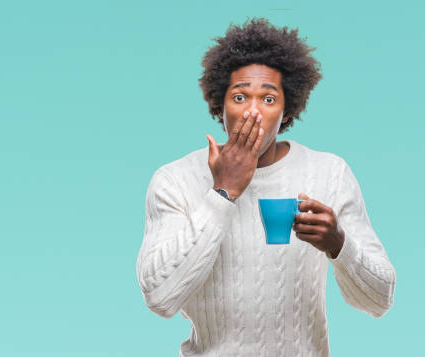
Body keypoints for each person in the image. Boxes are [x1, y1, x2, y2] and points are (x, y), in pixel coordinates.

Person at [135, 17, 396, 357]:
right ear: (220, 104)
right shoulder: (175, 180)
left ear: (288, 108)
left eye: (269, 100)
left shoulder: (329, 173)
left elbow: (381, 299)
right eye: (240, 97)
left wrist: (338, 244)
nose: (253, 114)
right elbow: (158, 297)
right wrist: (222, 193)